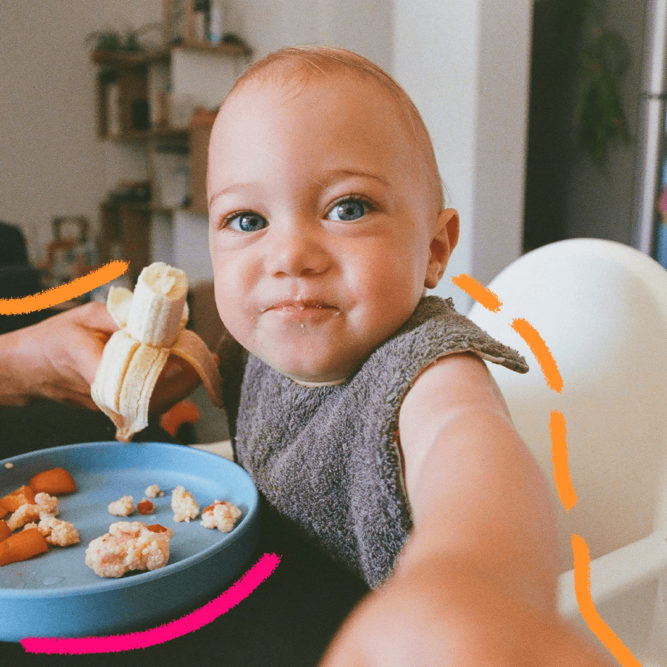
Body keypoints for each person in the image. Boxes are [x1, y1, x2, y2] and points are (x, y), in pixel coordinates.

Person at [204, 46, 612, 664]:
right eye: (245, 219)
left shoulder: (426, 370)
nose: (289, 255)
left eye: (348, 208)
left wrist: (471, 578)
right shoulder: (254, 351)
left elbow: (467, 446)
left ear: (435, 249)